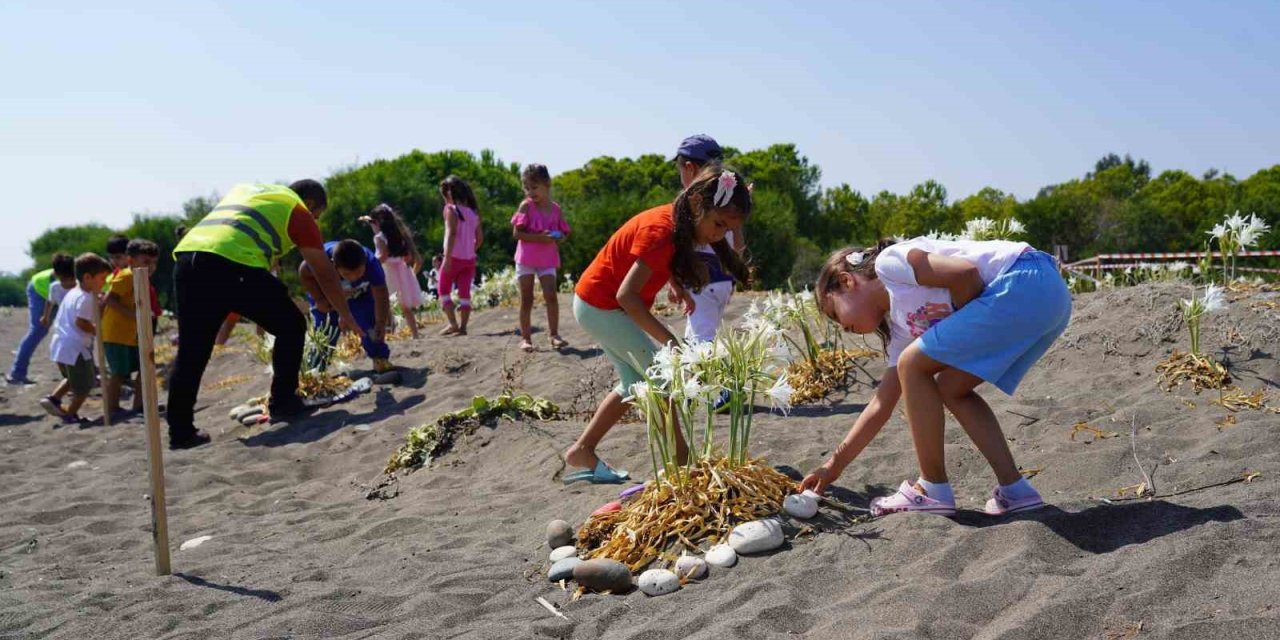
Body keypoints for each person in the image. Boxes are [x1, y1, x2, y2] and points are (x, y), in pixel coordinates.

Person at [799, 238, 1072, 516]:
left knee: (913, 365)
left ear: (847, 281)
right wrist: (833, 466)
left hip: (1025, 279)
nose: (843, 327)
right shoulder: (902, 329)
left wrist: (964, 328)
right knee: (951, 388)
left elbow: (964, 275)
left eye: (835, 313)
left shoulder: (890, 264)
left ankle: (932, 488)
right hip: (1050, 301)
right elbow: (881, 405)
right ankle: (1016, 490)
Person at [564, 167, 751, 483]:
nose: (720, 235)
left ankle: (582, 450)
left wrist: (676, 283)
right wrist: (672, 342)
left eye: (728, 229)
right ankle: (683, 461)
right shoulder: (661, 230)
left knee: (633, 385)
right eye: (718, 224)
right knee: (662, 379)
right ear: (695, 204)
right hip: (601, 306)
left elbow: (659, 263)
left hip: (599, 304)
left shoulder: (681, 225)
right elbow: (627, 296)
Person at [167, 181, 360, 450]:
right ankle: (283, 402)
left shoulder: (252, 192)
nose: (315, 222)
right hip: (231, 264)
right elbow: (323, 269)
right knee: (292, 325)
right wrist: (345, 313)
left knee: (191, 352)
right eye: (317, 216)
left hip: (189, 259)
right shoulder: (298, 211)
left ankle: (180, 432)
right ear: (312, 204)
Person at [673, 135, 747, 346]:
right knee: (697, 333)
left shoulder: (693, 202)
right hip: (724, 281)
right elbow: (739, 247)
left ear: (689, 167)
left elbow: (678, 245)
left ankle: (705, 377)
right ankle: (695, 374)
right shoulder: (727, 199)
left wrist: (675, 283)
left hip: (702, 281)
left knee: (701, 340)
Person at [39, 253, 112, 425]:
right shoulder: (85, 298)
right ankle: (70, 414)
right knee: (85, 385)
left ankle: (54, 399)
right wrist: (96, 331)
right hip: (75, 347)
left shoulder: (74, 292)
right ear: (88, 277)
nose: (104, 282)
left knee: (74, 378)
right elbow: (81, 322)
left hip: (61, 343)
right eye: (102, 279)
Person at [301, 239, 393, 372]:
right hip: (327, 295)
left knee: (370, 326)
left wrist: (381, 322)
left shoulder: (372, 264)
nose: (354, 277)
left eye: (359, 272)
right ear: (334, 265)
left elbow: (381, 293)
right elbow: (303, 272)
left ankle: (380, 358)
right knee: (325, 333)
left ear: (365, 263)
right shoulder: (321, 260)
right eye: (346, 274)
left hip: (359, 293)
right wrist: (319, 299)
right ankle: (315, 370)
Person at [512, 163, 572, 352]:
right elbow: (517, 234)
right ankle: (526, 338)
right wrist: (540, 238)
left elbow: (563, 233)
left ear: (547, 184)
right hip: (526, 259)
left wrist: (560, 237)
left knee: (551, 296)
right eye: (527, 188)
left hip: (547, 259)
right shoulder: (526, 207)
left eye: (534, 187)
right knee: (527, 299)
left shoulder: (556, 209)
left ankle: (554, 335)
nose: (530, 192)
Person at [100, 240, 159, 420]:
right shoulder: (126, 276)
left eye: (154, 262)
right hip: (116, 334)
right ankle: (112, 409)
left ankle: (140, 405)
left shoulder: (142, 279)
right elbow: (109, 299)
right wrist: (133, 314)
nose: (151, 267)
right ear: (131, 260)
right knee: (118, 373)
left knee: (145, 368)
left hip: (132, 335)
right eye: (146, 261)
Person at [6, 253, 75, 384]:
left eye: (71, 278)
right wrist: (45, 316)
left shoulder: (76, 274)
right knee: (38, 330)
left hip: (57, 298)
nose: (68, 282)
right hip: (39, 292)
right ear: (57, 274)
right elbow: (50, 301)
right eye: (65, 279)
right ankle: (17, 373)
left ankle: (85, 371)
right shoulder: (51, 284)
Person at [361, 203, 423, 339]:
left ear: (377, 222)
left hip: (389, 271)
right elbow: (408, 255)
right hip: (402, 269)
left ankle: (388, 333)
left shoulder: (379, 237)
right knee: (405, 305)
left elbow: (383, 255)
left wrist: (371, 262)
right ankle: (415, 333)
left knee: (385, 303)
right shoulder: (399, 233)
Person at [438, 175, 483, 336]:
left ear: (449, 194)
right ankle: (463, 328)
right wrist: (470, 249)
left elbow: (451, 234)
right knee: (464, 293)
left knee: (443, 290)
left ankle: (453, 324)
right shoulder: (473, 212)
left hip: (453, 258)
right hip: (469, 259)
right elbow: (479, 239)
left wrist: (448, 257)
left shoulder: (451, 210)